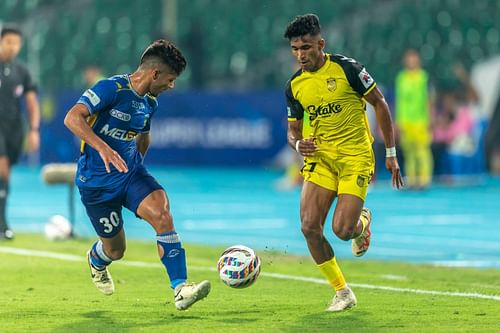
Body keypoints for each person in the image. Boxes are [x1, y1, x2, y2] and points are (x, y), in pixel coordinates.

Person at [64, 39, 210, 310]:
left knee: (163, 213)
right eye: (170, 79)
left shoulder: (150, 102)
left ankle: (181, 288)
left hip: (130, 174)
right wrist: (103, 148)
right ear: (155, 73)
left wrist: (137, 165)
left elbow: (144, 136)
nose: (172, 85)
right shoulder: (111, 88)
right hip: (95, 184)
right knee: (115, 251)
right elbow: (72, 118)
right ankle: (97, 260)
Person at [283, 14, 403, 312]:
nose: (301, 54)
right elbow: (293, 129)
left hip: (355, 158)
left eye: (306, 47)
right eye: (295, 49)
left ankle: (362, 223)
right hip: (321, 160)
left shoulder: (348, 68)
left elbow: (380, 103)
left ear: (320, 44)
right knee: (309, 227)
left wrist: (390, 153)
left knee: (342, 230)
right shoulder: (294, 86)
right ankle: (342, 291)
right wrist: (298, 144)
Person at [0, 25, 40, 240]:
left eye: (16, 43)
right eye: (9, 42)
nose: (13, 47)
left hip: (15, 128)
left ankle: (2, 220)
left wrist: (34, 129)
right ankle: (3, 224)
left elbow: (32, 102)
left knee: (6, 175)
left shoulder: (21, 71)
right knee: (2, 168)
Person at [395, 49, 433, 190]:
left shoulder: (423, 77)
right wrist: (397, 121)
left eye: (413, 58)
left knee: (422, 152)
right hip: (405, 121)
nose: (411, 61)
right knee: (409, 152)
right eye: (408, 58)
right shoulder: (401, 78)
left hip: (420, 120)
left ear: (418, 60)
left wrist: (430, 119)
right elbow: (399, 101)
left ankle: (424, 180)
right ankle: (412, 180)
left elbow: (429, 99)